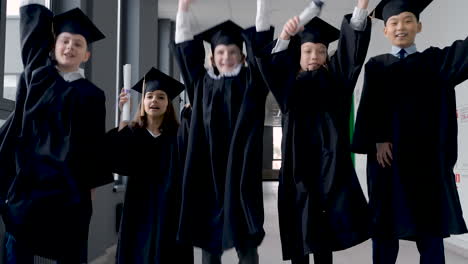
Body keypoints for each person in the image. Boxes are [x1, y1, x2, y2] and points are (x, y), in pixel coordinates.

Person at [352, 0, 468, 263]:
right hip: (388, 168)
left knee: (430, 238)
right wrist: (378, 139)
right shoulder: (376, 66)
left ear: (419, 26)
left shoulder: (436, 62)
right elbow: (369, 108)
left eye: (407, 21)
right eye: (393, 22)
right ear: (385, 31)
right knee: (384, 236)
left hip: (426, 170)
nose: (400, 27)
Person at [256, 0, 371, 263]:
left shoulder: (337, 83)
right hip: (297, 173)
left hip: (329, 172)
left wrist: (361, 7)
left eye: (321, 51)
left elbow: (351, 53)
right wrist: (284, 36)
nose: (314, 56)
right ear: (298, 54)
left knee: (323, 242)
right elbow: (271, 69)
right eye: (307, 50)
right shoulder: (288, 89)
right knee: (299, 238)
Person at [0, 1, 113, 263]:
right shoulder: (38, 78)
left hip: (69, 193)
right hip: (29, 189)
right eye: (64, 41)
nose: (70, 47)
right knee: (17, 251)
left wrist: (89, 201)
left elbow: (93, 150)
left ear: (87, 54)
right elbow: (31, 28)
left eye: (78, 44)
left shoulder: (93, 95)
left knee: (70, 254)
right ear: (53, 46)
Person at [170, 0, 274, 263]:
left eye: (232, 52)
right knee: (209, 241)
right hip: (209, 175)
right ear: (212, 57)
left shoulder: (252, 82)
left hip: (241, 174)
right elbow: (185, 50)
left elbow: (261, 45)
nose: (226, 57)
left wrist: (263, 4)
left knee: (246, 242)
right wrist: (183, 9)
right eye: (220, 53)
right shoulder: (202, 84)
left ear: (242, 55)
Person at [106, 67, 193, 264]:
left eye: (161, 97)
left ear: (168, 104)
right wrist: (122, 118)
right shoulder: (133, 133)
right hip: (139, 205)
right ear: (142, 102)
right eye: (149, 96)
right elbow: (119, 163)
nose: (154, 100)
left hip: (171, 206)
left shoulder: (178, 136)